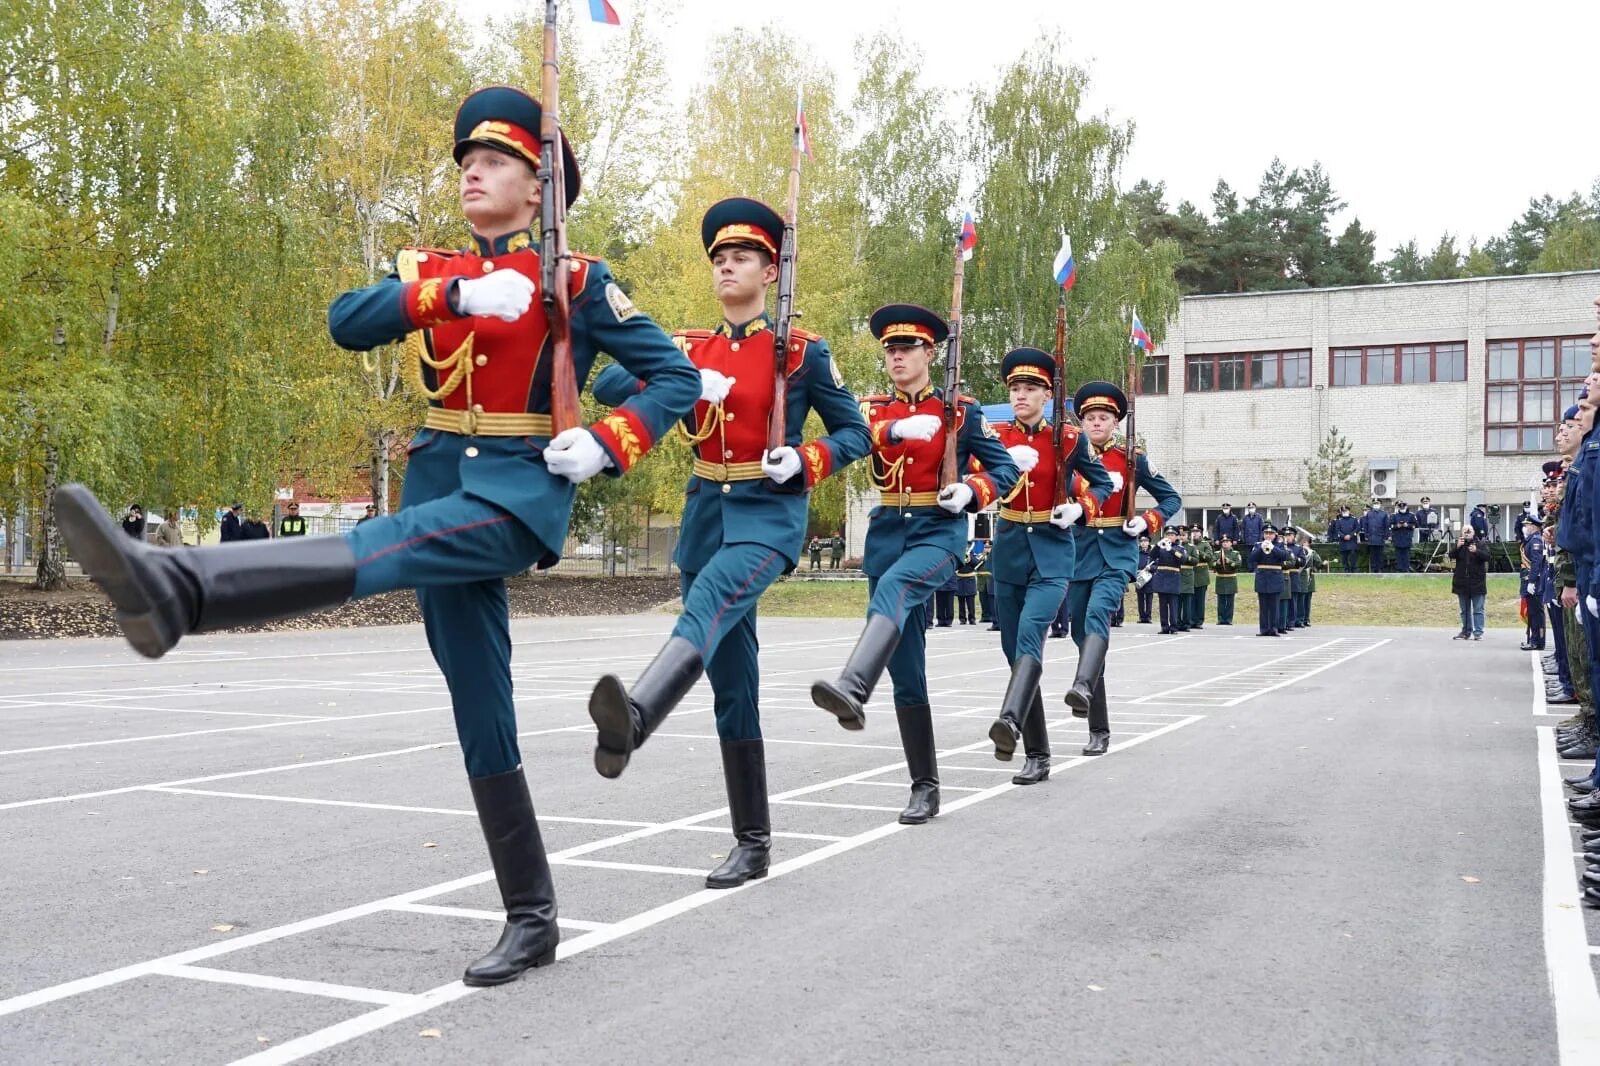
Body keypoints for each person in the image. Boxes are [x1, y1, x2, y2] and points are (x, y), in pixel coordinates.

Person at [53, 85, 700, 988]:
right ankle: (532, 916)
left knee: (387, 547)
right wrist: (455, 292)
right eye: (465, 161)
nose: (472, 171)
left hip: (515, 497)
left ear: (542, 185)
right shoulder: (434, 268)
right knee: (479, 701)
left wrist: (605, 439)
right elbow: (346, 321)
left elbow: (676, 379)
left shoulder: (579, 281)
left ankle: (184, 589)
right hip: (444, 473)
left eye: (497, 160)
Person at [585, 196, 869, 889]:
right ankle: (753, 842)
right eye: (718, 258)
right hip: (706, 514)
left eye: (741, 257)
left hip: (767, 518)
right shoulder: (689, 347)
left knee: (712, 596)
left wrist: (806, 460)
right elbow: (611, 383)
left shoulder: (800, 352)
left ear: (771, 272)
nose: (726, 267)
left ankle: (642, 711)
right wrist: (680, 377)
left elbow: (854, 433)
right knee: (733, 688)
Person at [810, 304, 1017, 824]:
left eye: (908, 349)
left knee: (898, 589)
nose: (897, 357)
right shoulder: (875, 407)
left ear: (931, 353)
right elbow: (856, 437)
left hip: (938, 534)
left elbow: (1006, 471)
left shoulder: (962, 411)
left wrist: (970, 491)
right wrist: (898, 433)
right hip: (887, 537)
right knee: (907, 670)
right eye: (891, 350)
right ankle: (925, 786)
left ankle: (855, 683)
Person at [981, 357, 1116, 769]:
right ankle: (1037, 754)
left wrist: (1080, 508)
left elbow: (1104, 482)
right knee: (1012, 650)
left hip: (1053, 551)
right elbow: (975, 474)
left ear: (1046, 395)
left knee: (1030, 632)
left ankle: (1009, 719)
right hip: (1008, 548)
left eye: (1029, 389)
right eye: (1014, 389)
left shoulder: (1069, 439)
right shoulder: (995, 435)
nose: (1020, 396)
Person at [1050, 379, 1175, 758]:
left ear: (1116, 422)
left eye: (1103, 417)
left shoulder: (1131, 457)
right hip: (1079, 550)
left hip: (1117, 552)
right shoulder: (1069, 454)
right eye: (1089, 418)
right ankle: (1093, 711)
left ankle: (1088, 704)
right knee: (1081, 635)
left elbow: (1171, 498)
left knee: (1098, 616)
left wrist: (1147, 520)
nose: (1096, 423)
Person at [1451, 526, 1488, 639]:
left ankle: (1478, 633)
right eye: (1464, 532)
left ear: (1473, 532)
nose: (1467, 534)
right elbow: (1451, 556)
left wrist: (1476, 551)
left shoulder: (1480, 544)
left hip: (1477, 582)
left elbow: (1487, 557)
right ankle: (1466, 631)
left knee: (1478, 609)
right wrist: (1457, 547)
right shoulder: (1460, 544)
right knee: (1464, 610)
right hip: (1462, 582)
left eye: (1469, 531)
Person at [1250, 524, 1286, 636]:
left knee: (1274, 605)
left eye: (1271, 533)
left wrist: (1273, 548)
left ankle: (1274, 628)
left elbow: (1284, 556)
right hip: (1262, 577)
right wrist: (1261, 548)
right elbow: (1252, 558)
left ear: (1275, 535)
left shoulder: (1280, 545)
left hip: (1275, 577)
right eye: (1266, 533)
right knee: (1263, 606)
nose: (1268, 535)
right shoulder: (1258, 545)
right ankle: (1264, 629)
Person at [1151, 526, 1187, 634]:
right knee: (1162, 606)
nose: (1169, 537)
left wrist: (1171, 550)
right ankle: (1164, 627)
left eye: (1172, 535)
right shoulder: (1161, 547)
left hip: (1173, 578)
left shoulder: (1180, 548)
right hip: (1162, 578)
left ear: (1176, 537)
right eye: (1168, 535)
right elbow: (1152, 556)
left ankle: (1174, 627)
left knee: (1173, 606)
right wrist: (1157, 546)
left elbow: (1183, 559)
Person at [1521, 516, 1546, 651]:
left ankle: (1538, 641)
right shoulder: (1530, 540)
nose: (1525, 527)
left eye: (1527, 525)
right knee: (1532, 612)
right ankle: (1533, 639)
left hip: (1534, 582)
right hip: (1528, 581)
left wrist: (1532, 581)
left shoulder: (1535, 540)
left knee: (1536, 613)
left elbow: (1536, 563)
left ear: (1534, 526)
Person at [1187, 525, 1212, 629]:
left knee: (1200, 600)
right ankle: (1190, 620)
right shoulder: (1188, 544)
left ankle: (1199, 621)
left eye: (1197, 531)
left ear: (1201, 533)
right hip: (1189, 575)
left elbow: (1209, 557)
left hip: (1201, 575)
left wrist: (1198, 551)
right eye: (1193, 531)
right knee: (1190, 600)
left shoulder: (1205, 544)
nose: (1195, 533)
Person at [1213, 534, 1241, 625]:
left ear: (1231, 543)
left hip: (1231, 578)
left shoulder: (1235, 553)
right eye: (1223, 542)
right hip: (1220, 578)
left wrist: (1230, 562)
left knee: (1230, 601)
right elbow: (1211, 564)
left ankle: (1228, 619)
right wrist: (1217, 563)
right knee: (1220, 600)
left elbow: (1239, 564)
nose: (1225, 544)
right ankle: (1220, 619)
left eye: (1227, 542)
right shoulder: (1217, 554)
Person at [1297, 530, 1324, 626]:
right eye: (1302, 541)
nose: (1304, 543)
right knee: (1299, 599)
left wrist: (1322, 564)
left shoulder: (1312, 552)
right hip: (1298, 576)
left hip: (1309, 577)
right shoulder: (1298, 550)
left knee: (1307, 600)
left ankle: (1306, 619)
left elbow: (1318, 563)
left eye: (1305, 542)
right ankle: (1298, 619)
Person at [1277, 526, 1300, 634]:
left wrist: (1293, 560)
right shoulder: (1278, 547)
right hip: (1281, 575)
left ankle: (1291, 622)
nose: (1287, 537)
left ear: (1294, 536)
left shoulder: (1298, 548)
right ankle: (1282, 622)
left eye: (1289, 535)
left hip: (1293, 575)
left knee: (1292, 602)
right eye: (1285, 535)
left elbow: (1301, 562)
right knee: (1281, 601)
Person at [1326, 505, 1359, 572]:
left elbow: (1357, 528)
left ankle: (1353, 569)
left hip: (1352, 541)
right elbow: (1337, 530)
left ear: (1349, 511)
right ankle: (1346, 569)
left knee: (1353, 555)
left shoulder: (1354, 519)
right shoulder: (1339, 521)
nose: (1345, 512)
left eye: (1346, 511)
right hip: (1343, 541)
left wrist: (1350, 535)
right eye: (1343, 511)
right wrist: (1343, 536)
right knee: (1344, 557)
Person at [1175, 524, 1195, 631]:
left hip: (1187, 577)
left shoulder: (1192, 547)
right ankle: (1177, 623)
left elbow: (1195, 561)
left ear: (1187, 535)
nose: (1181, 537)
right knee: (1176, 603)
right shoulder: (1174, 547)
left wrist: (1186, 557)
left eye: (1184, 535)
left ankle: (1186, 624)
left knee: (1187, 604)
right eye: (1179, 535)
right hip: (1177, 575)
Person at [1360, 501, 1390, 572]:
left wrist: (1386, 536)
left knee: (1380, 554)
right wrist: (1366, 535)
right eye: (1375, 504)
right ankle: (1373, 569)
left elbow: (1386, 526)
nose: (1376, 505)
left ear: (1380, 504)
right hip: (1371, 537)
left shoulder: (1384, 514)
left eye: (1377, 504)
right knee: (1373, 554)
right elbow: (1366, 525)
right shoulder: (1369, 513)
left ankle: (1380, 568)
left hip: (1380, 537)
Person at [956, 544, 979, 624]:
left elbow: (977, 563)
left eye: (967, 547)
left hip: (970, 580)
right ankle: (962, 619)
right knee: (961, 602)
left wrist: (969, 556)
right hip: (960, 580)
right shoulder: (958, 554)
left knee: (970, 602)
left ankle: (972, 619)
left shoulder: (972, 554)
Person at [1135, 534, 1156, 623]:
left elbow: (1157, 565)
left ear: (1148, 542)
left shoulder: (1152, 553)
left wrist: (1150, 568)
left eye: (1145, 541)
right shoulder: (1136, 552)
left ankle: (1148, 617)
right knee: (1140, 598)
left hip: (1149, 577)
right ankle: (1141, 617)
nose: (1143, 543)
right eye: (1142, 541)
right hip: (1139, 577)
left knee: (1149, 598)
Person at [1390, 501, 1416, 572]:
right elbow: (1391, 525)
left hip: (1407, 538)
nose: (1402, 509)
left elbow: (1415, 525)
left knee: (1406, 555)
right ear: (1399, 508)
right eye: (1400, 507)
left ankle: (1406, 568)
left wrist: (1407, 525)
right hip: (1397, 538)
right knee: (1398, 554)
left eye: (1403, 507)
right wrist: (1397, 526)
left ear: (1406, 507)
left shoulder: (1411, 515)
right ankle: (1399, 568)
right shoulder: (1394, 515)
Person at [1240, 502, 1264, 569]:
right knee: (1249, 555)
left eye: (1252, 508)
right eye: (1250, 508)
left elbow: (1261, 529)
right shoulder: (1245, 518)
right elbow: (1243, 529)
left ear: (1255, 508)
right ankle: (1250, 569)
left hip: (1256, 540)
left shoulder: (1259, 517)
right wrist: (1243, 538)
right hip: (1248, 540)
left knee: (1256, 555)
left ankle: (1255, 569)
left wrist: (1260, 539)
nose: (1251, 509)